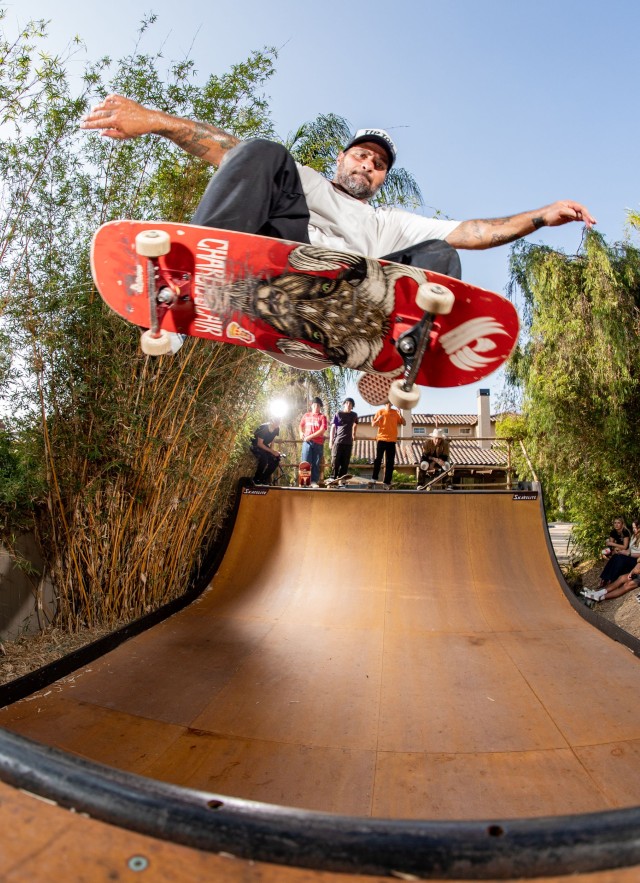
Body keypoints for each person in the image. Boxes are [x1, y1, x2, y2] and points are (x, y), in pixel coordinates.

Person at [81, 94, 596, 280]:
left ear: (383, 179)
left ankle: (401, 353)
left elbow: (475, 230)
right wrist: (155, 120)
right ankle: (196, 271)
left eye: (378, 165)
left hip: (355, 292)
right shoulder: (301, 179)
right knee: (262, 150)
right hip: (285, 262)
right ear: (342, 158)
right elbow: (225, 151)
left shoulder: (391, 221)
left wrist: (540, 216)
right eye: (361, 155)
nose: (368, 166)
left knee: (441, 253)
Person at [371, 401, 406, 488]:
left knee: (390, 462)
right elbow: (373, 424)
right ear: (385, 403)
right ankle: (374, 478)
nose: (390, 403)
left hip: (391, 440)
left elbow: (404, 423)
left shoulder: (395, 412)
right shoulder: (380, 412)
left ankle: (387, 482)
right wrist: (378, 419)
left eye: (391, 402)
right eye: (388, 402)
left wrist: (400, 414)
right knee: (378, 459)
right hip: (381, 439)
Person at [599, 518, 640, 586]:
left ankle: (612, 580)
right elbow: (629, 549)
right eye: (633, 528)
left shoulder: (626, 532)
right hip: (629, 556)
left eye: (635, 528)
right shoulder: (634, 536)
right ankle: (604, 579)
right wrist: (622, 551)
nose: (633, 530)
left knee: (620, 559)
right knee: (616, 556)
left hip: (636, 559)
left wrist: (628, 553)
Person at [299, 397, 327, 487]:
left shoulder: (322, 417)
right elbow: (301, 425)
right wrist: (300, 433)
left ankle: (314, 481)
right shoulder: (306, 415)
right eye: (314, 405)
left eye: (318, 405)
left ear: (320, 407)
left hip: (318, 443)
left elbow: (323, 430)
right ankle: (304, 481)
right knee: (305, 461)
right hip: (307, 443)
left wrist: (310, 436)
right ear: (312, 405)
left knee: (316, 463)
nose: (316, 407)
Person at [329, 397, 358, 480]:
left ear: (352, 406)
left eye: (350, 404)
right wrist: (331, 441)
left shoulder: (354, 415)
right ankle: (333, 478)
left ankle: (342, 480)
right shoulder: (339, 414)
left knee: (345, 463)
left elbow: (356, 423)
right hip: (338, 441)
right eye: (347, 403)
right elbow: (333, 427)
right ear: (344, 404)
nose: (348, 405)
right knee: (335, 461)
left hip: (348, 442)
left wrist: (354, 433)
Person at [250, 420, 281, 485]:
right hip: (255, 444)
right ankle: (256, 479)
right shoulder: (264, 427)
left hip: (264, 445)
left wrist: (273, 452)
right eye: (276, 420)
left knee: (275, 460)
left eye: (279, 420)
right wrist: (272, 451)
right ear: (272, 420)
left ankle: (263, 479)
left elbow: (272, 440)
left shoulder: (277, 428)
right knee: (264, 459)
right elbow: (259, 444)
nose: (277, 423)